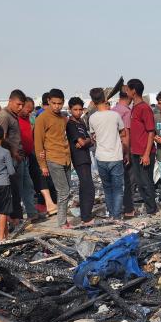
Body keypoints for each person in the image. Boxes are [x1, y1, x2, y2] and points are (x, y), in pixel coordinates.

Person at [0, 89, 37, 222]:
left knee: (28, 187)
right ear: (10, 101)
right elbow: (0, 139)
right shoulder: (4, 116)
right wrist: (13, 153)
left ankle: (32, 214)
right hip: (13, 158)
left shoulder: (13, 115)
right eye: (18, 104)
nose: (20, 108)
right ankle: (17, 219)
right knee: (16, 190)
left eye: (22, 105)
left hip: (22, 157)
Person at [34, 88, 72, 228]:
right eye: (54, 103)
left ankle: (64, 219)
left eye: (60, 103)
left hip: (66, 158)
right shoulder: (42, 119)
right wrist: (43, 165)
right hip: (53, 158)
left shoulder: (63, 117)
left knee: (67, 191)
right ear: (49, 101)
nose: (57, 106)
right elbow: (38, 143)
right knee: (63, 192)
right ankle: (62, 222)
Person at [88, 87, 128, 220]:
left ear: (93, 102)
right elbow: (123, 133)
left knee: (107, 189)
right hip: (115, 157)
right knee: (118, 189)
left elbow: (93, 136)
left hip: (101, 158)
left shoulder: (92, 118)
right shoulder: (115, 115)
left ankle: (111, 214)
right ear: (105, 99)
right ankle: (116, 216)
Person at [124, 78, 157, 215]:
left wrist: (146, 154)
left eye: (128, 90)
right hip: (135, 152)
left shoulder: (144, 108)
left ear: (134, 91)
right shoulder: (134, 108)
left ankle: (152, 209)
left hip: (145, 153)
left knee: (146, 182)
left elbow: (151, 132)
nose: (127, 93)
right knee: (139, 182)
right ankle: (149, 208)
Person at [20, 96, 56, 215]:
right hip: (19, 157)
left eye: (31, 110)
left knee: (36, 180)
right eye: (28, 109)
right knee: (26, 185)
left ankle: (43, 205)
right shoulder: (13, 119)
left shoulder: (30, 119)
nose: (29, 112)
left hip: (31, 154)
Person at [66, 96, 96, 226]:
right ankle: (86, 217)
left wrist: (87, 142)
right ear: (70, 109)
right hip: (79, 159)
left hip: (86, 157)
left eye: (80, 109)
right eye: (75, 109)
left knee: (86, 187)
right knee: (88, 187)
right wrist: (86, 141)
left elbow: (89, 141)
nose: (78, 112)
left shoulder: (82, 123)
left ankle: (85, 216)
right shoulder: (71, 124)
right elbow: (83, 142)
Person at [112, 90, 135, 217]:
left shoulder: (113, 110)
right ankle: (128, 209)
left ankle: (116, 208)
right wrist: (127, 153)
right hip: (124, 150)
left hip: (113, 151)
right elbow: (126, 134)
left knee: (116, 182)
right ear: (129, 96)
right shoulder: (126, 111)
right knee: (128, 181)